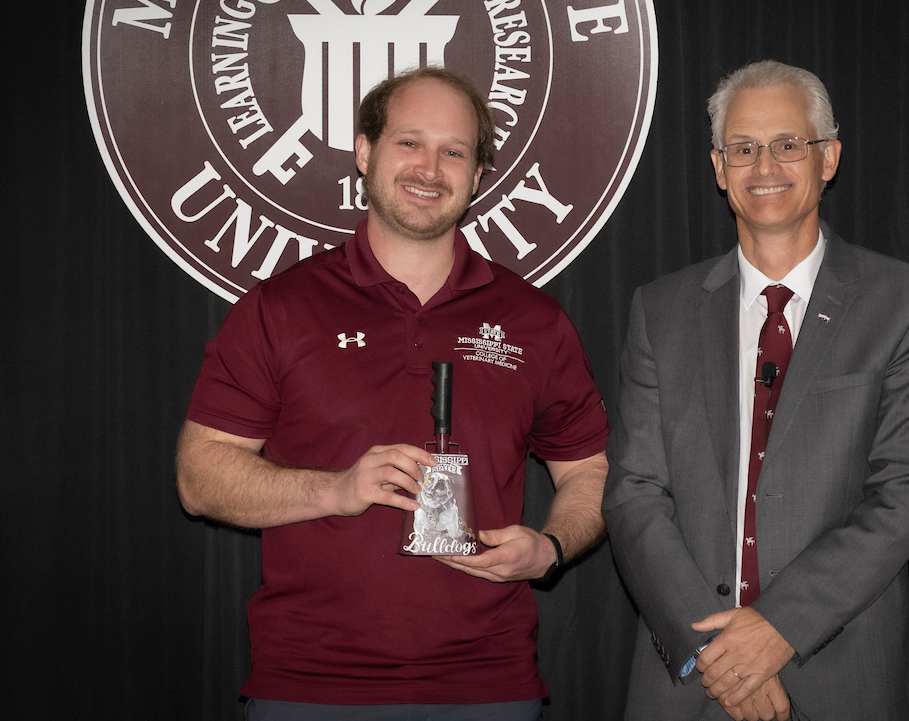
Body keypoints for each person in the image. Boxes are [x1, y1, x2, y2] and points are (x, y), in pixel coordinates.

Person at [176, 66, 609, 720]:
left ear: (477, 173)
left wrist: (548, 549)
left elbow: (592, 471)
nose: (430, 169)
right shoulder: (280, 308)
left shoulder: (534, 321)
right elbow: (199, 478)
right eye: (409, 142)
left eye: (454, 151)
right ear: (364, 151)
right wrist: (335, 489)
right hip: (311, 685)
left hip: (487, 685)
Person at [602, 60, 909, 721]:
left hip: (843, 673)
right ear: (717, 166)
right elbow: (634, 494)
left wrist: (776, 630)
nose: (765, 166)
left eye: (789, 144)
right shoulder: (661, 310)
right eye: (743, 147)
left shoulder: (903, 303)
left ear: (829, 158)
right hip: (690, 677)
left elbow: (905, 493)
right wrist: (726, 656)